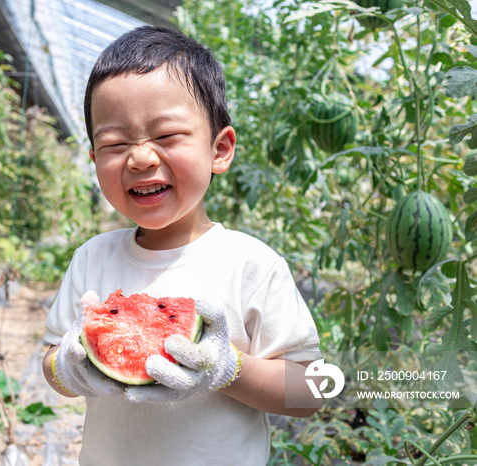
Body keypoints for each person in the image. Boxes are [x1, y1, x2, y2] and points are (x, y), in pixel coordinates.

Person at [42, 25, 322, 465]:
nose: (140, 158)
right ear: (95, 160)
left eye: (166, 136)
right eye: (115, 144)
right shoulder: (90, 258)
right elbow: (51, 360)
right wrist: (68, 367)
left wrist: (227, 368)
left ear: (220, 149)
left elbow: (309, 391)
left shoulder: (252, 264)